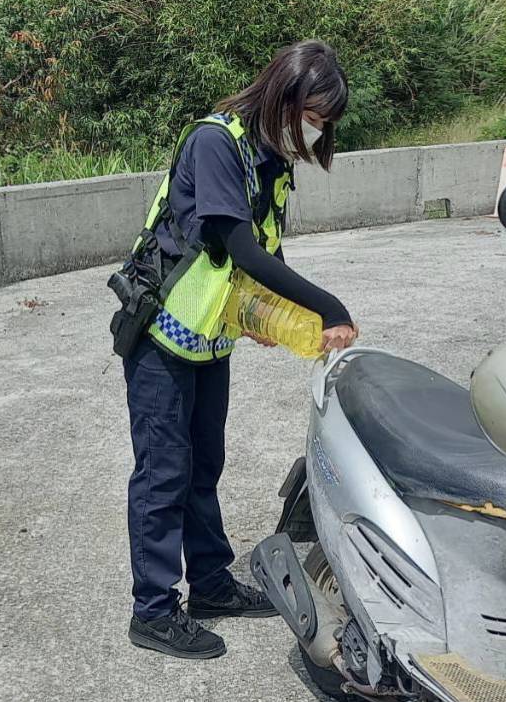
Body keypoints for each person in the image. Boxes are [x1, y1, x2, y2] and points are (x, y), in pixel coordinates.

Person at [123, 40, 359, 660]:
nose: (316, 130)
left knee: (204, 465)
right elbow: (238, 244)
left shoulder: (270, 159)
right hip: (159, 337)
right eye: (312, 115)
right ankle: (152, 610)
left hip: (207, 338)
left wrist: (273, 314)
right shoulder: (215, 142)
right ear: (281, 97)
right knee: (163, 473)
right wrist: (328, 308)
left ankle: (210, 585)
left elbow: (264, 253)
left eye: (324, 122)